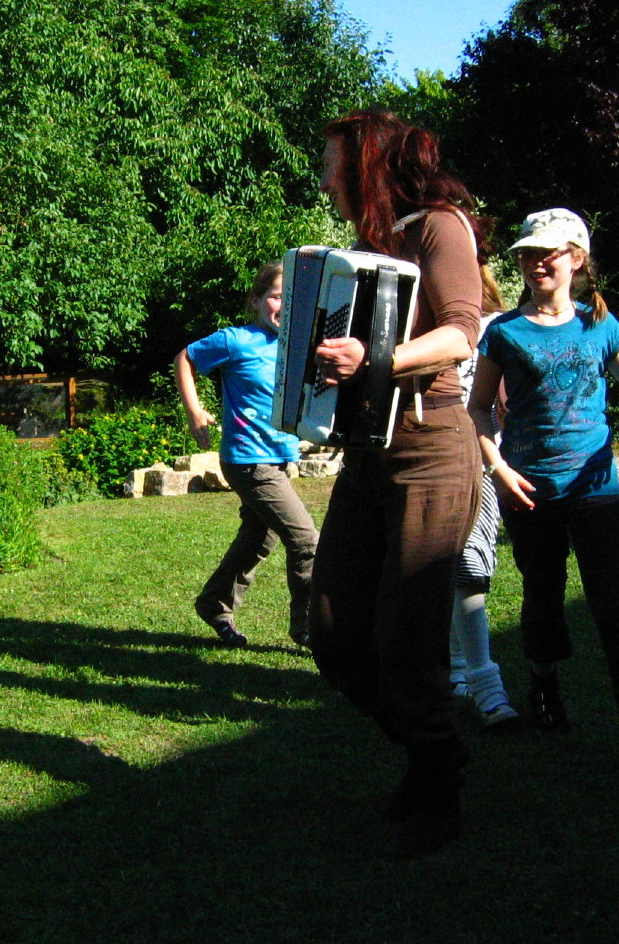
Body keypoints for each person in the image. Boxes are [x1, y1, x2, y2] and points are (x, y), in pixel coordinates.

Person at [467, 208, 619, 796]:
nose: (536, 263)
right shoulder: (504, 332)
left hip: (595, 490)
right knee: (543, 597)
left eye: (548, 253)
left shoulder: (600, 324)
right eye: (528, 254)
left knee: (616, 608)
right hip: (530, 491)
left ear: (577, 259)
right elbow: (478, 408)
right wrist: (499, 468)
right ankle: (544, 682)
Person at [309, 109, 495, 858]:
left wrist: (376, 360)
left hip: (432, 449)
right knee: (332, 631)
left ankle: (435, 785)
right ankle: (435, 749)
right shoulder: (363, 251)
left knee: (409, 633)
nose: (325, 178)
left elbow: (462, 332)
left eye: (332, 163)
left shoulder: (440, 226)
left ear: (367, 164)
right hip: (368, 452)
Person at [174, 261, 318, 648]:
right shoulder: (236, 340)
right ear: (256, 300)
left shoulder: (298, 346)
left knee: (260, 537)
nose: (284, 306)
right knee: (306, 541)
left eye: (292, 299)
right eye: (277, 296)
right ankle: (310, 630)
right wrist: (194, 411)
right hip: (248, 459)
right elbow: (185, 358)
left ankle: (215, 603)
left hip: (279, 456)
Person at [448, 297, 521, 729]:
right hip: (427, 451)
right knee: (437, 565)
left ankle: (480, 680)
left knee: (469, 565)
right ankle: (459, 669)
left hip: (480, 453)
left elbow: (505, 401)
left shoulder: (499, 326)